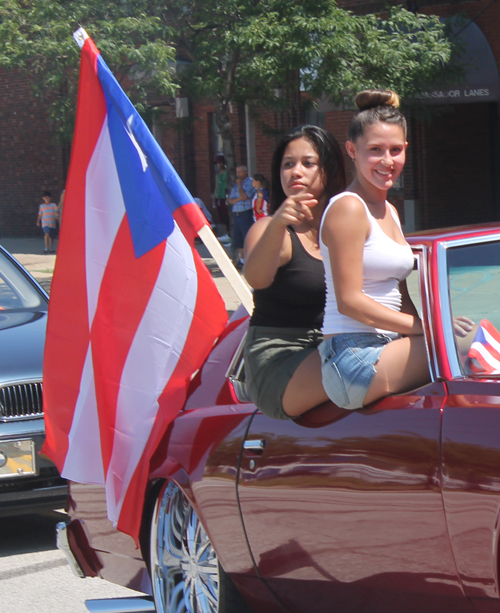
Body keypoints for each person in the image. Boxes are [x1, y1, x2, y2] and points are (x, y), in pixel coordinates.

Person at [317, 89, 460, 410]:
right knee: (464, 345)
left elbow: (399, 296)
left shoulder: (390, 211)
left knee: (467, 339)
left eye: (395, 150)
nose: (387, 161)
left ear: (406, 150)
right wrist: (428, 329)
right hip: (352, 355)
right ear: (352, 150)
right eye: (375, 150)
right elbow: (350, 301)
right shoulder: (349, 208)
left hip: (389, 346)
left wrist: (432, 324)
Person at [243, 125, 346, 419]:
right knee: (369, 362)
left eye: (308, 163)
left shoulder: (345, 226)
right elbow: (256, 279)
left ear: (330, 170)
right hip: (281, 356)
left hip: (335, 346)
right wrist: (277, 224)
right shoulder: (270, 230)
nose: (296, 172)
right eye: (288, 164)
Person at [228, 165, 256, 268]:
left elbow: (245, 196)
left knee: (247, 237)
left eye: (240, 172)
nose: (238, 174)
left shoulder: (250, 183)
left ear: (245, 172)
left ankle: (250, 260)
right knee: (239, 240)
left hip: (246, 213)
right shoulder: (235, 184)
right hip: (237, 214)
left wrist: (240, 186)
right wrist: (239, 198)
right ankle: (242, 261)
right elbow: (230, 200)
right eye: (237, 172)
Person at [213, 155, 228, 231]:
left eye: (220, 163)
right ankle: (225, 230)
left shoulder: (227, 173)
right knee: (220, 214)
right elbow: (216, 185)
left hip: (225, 195)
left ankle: (228, 231)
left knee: (226, 213)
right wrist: (214, 197)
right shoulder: (217, 174)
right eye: (217, 163)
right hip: (219, 195)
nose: (219, 165)